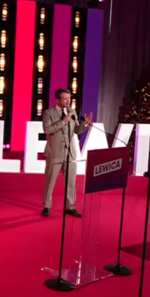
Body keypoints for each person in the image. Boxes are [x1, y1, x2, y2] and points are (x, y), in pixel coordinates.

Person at [41, 89, 92, 218]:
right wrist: (63, 121)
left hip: (70, 153)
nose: (68, 101)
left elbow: (76, 130)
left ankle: (70, 207)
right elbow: (47, 130)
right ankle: (47, 206)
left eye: (69, 98)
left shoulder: (72, 112)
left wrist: (85, 124)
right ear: (57, 100)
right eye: (65, 99)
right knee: (50, 181)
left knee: (71, 182)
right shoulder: (48, 113)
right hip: (55, 152)